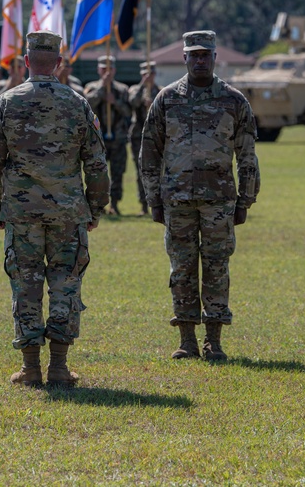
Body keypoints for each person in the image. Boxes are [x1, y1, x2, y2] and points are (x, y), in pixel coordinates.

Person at [0, 31, 110, 387]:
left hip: (21, 213)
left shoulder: (7, 102)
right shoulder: (78, 103)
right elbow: (97, 163)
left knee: (26, 284)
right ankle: (60, 367)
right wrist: (95, 208)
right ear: (59, 63)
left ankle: (30, 368)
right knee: (65, 283)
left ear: (25, 63)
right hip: (68, 212)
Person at [141, 30, 260, 362]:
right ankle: (187, 339)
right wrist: (153, 199)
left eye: (205, 54)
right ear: (184, 58)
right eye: (193, 55)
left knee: (217, 268)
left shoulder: (233, 101)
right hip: (177, 200)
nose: (199, 60)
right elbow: (149, 150)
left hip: (219, 201)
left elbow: (247, 154)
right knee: (181, 269)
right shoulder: (167, 99)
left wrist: (245, 200)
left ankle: (214, 340)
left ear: (215, 57)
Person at [83, 55, 132, 215]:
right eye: (104, 69)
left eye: (110, 69)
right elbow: (87, 105)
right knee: (99, 173)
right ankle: (99, 205)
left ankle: (115, 204)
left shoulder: (122, 90)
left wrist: (115, 102)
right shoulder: (91, 87)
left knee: (117, 173)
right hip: (98, 138)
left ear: (115, 70)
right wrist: (102, 89)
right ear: (98, 69)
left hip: (117, 138)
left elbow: (128, 112)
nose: (107, 72)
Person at [128, 61, 160, 215]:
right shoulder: (135, 89)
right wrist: (142, 86)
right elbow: (132, 102)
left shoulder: (160, 92)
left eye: (151, 74)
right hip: (137, 136)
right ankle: (143, 205)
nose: (148, 77)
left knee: (157, 171)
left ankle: (157, 203)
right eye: (145, 74)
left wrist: (153, 105)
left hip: (155, 137)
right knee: (140, 171)